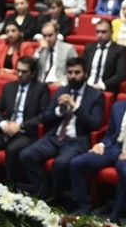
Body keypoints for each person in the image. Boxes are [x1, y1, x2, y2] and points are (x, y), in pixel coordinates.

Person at [68, 76, 126, 220]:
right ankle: (83, 206)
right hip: (113, 147)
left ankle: (115, 214)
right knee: (77, 163)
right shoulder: (118, 106)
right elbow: (110, 132)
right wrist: (101, 144)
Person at [18, 58, 104, 201]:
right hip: (55, 137)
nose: (73, 76)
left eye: (77, 72)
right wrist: (60, 110)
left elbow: (95, 124)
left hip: (76, 140)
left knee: (61, 163)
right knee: (26, 155)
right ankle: (45, 194)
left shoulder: (96, 95)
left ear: (86, 74)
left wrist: (75, 107)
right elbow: (46, 117)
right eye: (70, 73)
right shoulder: (61, 91)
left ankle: (56, 199)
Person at [0, 55, 49, 185]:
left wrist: (20, 126)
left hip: (25, 133)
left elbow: (44, 116)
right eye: (18, 70)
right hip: (4, 130)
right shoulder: (9, 86)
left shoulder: (40, 89)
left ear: (32, 73)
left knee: (13, 150)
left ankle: (10, 189)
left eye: (24, 72)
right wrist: (3, 124)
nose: (19, 74)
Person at [82, 18, 126, 94]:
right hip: (86, 85)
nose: (100, 35)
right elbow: (82, 68)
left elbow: (120, 74)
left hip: (105, 88)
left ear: (111, 32)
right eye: (97, 32)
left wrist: (102, 85)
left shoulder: (119, 50)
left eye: (104, 32)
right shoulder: (89, 48)